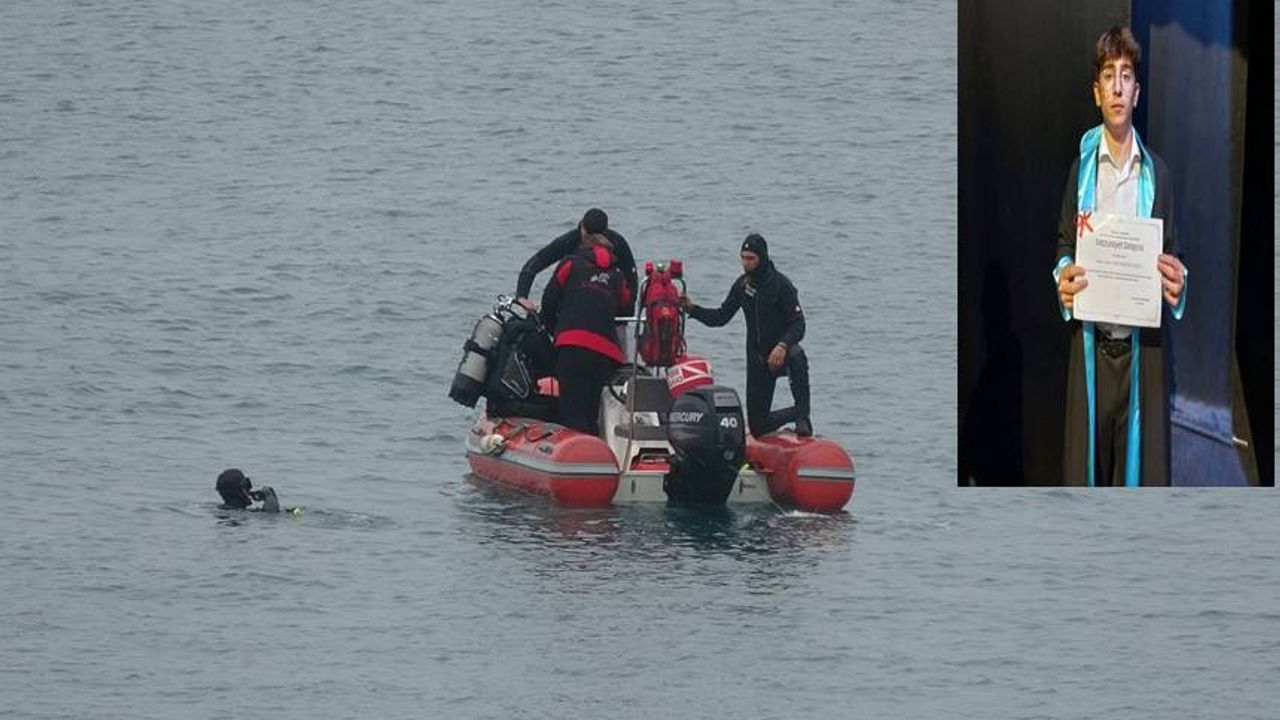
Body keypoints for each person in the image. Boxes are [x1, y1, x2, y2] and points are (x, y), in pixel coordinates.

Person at [1053, 26, 1187, 486]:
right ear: (1096, 93)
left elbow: (1172, 255)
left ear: (1136, 92)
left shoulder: (1158, 176)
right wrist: (1063, 278)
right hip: (1091, 350)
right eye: (1108, 75)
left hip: (1140, 357)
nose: (1117, 87)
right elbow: (1064, 245)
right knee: (1085, 480)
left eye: (1126, 75)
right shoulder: (1081, 172)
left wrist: (1177, 282)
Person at [680, 234, 812, 437]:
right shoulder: (742, 286)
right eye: (743, 258)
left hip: (781, 354)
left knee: (797, 355)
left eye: (751, 259)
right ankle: (797, 412)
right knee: (758, 426)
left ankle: (803, 418)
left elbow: (798, 324)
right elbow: (720, 317)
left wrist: (782, 345)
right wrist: (692, 309)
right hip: (758, 359)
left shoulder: (781, 285)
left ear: (762, 258)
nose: (745, 263)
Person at [539, 233, 632, 435]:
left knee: (571, 406)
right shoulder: (618, 276)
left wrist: (551, 329)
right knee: (591, 409)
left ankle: (578, 447)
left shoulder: (570, 264)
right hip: (605, 351)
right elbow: (626, 304)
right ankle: (594, 443)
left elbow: (549, 298)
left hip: (572, 343)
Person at [515, 208, 638, 316]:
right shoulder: (570, 240)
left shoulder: (618, 244)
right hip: (576, 304)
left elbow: (631, 279)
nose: (591, 242)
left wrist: (625, 313)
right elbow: (535, 263)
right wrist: (522, 296)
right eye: (588, 238)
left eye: (596, 238)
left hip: (607, 307)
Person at [216, 468, 282, 513]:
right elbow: (271, 516)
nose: (250, 489)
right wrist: (269, 496)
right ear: (240, 490)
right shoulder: (246, 514)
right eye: (247, 485)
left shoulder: (221, 510)